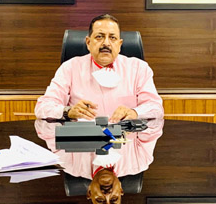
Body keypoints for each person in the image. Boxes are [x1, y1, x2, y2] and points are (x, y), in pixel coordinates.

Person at [34, 14, 164, 123]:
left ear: (119, 44)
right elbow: (42, 107)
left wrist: (134, 112)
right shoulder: (70, 68)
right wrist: (68, 111)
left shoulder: (139, 68)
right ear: (88, 43)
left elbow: (156, 108)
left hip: (127, 141)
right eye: (99, 37)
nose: (106, 43)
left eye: (112, 38)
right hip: (82, 143)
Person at [35, 117, 163, 204]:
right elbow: (156, 122)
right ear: (121, 191)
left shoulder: (69, 164)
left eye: (100, 200)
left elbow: (43, 126)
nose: (107, 194)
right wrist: (132, 123)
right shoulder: (139, 161)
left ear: (89, 192)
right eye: (113, 199)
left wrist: (69, 116)